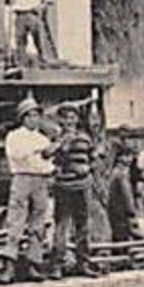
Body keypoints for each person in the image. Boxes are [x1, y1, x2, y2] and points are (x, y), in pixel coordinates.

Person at [3, 97, 56, 280]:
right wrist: (39, 152)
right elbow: (17, 155)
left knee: (38, 223)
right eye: (30, 116)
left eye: (36, 116)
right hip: (22, 178)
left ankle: (34, 264)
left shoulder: (43, 138)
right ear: (23, 118)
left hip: (40, 180)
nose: (34, 119)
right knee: (16, 221)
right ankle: (9, 266)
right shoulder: (14, 136)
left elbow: (48, 164)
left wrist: (47, 155)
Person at [48, 104, 100, 277]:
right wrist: (65, 144)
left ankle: (82, 263)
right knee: (61, 226)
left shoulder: (85, 138)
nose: (70, 122)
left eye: (73, 118)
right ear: (61, 120)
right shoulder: (56, 137)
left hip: (83, 187)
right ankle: (56, 265)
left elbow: (93, 159)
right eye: (66, 118)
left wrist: (88, 168)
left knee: (83, 226)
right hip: (64, 187)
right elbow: (53, 160)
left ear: (77, 119)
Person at [5, 0, 57, 64]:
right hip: (20, 15)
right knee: (20, 39)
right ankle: (21, 61)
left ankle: (43, 58)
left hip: (33, 15)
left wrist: (43, 6)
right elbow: (7, 1)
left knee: (38, 38)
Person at [105, 137, 139, 244]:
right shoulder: (121, 173)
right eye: (128, 156)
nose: (130, 159)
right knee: (122, 236)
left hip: (113, 208)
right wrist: (132, 211)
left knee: (117, 234)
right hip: (121, 209)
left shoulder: (114, 172)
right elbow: (127, 194)